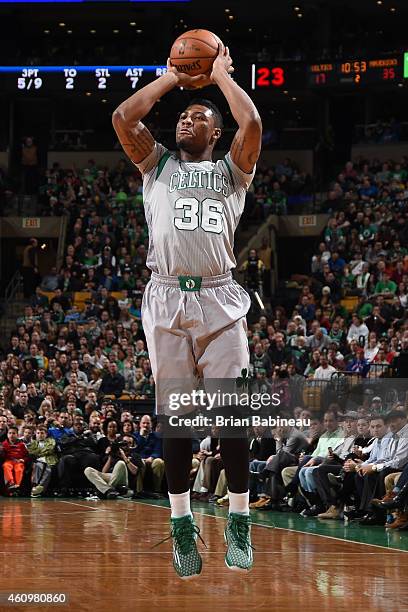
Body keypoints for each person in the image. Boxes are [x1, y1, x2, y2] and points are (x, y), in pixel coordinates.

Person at [113, 42, 262, 578]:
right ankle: (181, 528)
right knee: (176, 423)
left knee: (231, 417)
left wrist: (219, 77)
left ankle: (240, 523)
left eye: (197, 117)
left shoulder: (232, 172)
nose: (185, 120)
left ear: (215, 133)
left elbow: (253, 124)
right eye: (181, 117)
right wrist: (173, 81)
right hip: (165, 295)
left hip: (220, 297)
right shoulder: (156, 167)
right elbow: (123, 117)